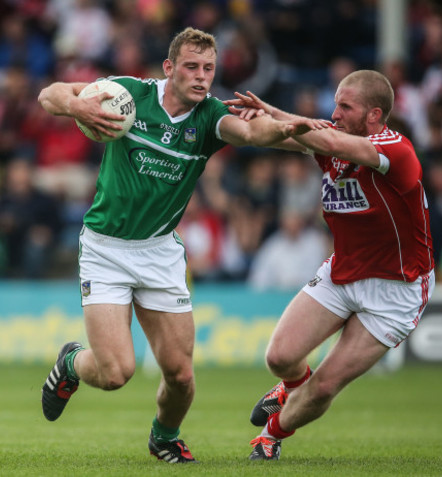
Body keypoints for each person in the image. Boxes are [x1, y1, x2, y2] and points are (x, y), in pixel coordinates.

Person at [36, 27, 306, 464]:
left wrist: (294, 128)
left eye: (209, 69)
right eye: (192, 67)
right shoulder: (128, 95)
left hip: (159, 252)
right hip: (106, 249)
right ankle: (70, 364)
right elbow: (49, 95)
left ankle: (164, 437)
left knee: (181, 376)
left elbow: (254, 135)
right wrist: (76, 104)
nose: (201, 77)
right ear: (169, 68)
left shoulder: (210, 117)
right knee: (115, 373)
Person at [224, 69, 435, 460]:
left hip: (396, 288)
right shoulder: (333, 144)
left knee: (323, 387)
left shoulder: (395, 149)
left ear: (374, 115)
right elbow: (304, 137)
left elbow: (328, 138)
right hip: (344, 270)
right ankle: (290, 387)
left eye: (345, 106)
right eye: (334, 103)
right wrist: (266, 113)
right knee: (279, 358)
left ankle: (271, 436)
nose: (334, 112)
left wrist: (278, 114)